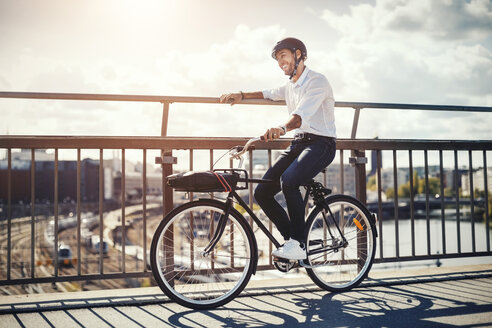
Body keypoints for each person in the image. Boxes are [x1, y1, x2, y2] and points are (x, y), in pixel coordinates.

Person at [219, 37, 336, 260]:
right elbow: (267, 93)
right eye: (277, 58)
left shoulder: (317, 81)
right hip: (299, 143)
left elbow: (299, 117)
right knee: (261, 193)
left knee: (289, 181)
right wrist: (241, 95)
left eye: (283, 55)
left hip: (321, 143)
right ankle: (292, 240)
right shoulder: (290, 86)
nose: (280, 61)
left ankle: (299, 245)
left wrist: (281, 128)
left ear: (299, 54)